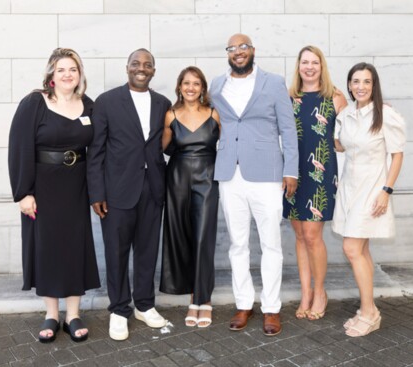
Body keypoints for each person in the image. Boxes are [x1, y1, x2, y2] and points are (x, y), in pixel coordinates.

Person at [8, 48, 100, 343]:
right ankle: (51, 313)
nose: (67, 74)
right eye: (61, 69)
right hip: (43, 188)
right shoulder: (35, 102)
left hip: (76, 186)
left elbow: (98, 150)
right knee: (46, 247)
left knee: (75, 245)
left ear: (80, 74)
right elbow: (19, 147)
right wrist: (24, 192)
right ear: (51, 74)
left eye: (72, 69)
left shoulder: (89, 105)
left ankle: (73, 314)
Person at [209, 33, 298, 336]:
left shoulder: (273, 82)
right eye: (232, 48)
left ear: (252, 50)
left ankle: (271, 308)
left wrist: (292, 171)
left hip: (267, 174)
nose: (238, 52)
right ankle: (243, 302)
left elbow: (288, 128)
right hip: (229, 174)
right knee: (238, 245)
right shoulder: (217, 86)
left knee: (271, 244)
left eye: (243, 47)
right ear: (228, 54)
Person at [86, 48, 171, 341]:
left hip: (153, 190)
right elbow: (95, 151)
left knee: (148, 251)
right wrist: (96, 192)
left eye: (147, 65)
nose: (141, 68)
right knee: (117, 252)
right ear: (127, 68)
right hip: (117, 191)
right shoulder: (107, 102)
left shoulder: (163, 103)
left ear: (153, 71)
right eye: (136, 63)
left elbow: (165, 144)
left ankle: (144, 305)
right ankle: (119, 309)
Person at [332, 62, 406, 337]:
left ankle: (370, 312)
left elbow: (397, 155)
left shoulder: (385, 115)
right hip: (350, 188)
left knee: (352, 249)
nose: (361, 86)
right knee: (360, 251)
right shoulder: (347, 113)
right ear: (349, 85)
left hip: (373, 189)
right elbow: (340, 144)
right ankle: (367, 309)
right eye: (356, 81)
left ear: (374, 85)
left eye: (366, 81)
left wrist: (386, 191)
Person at [283, 46, 347, 321]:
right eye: (304, 62)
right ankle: (305, 292)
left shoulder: (334, 97)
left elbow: (348, 134)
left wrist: (376, 110)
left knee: (312, 236)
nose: (309, 67)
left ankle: (320, 291)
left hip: (319, 174)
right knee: (299, 236)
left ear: (322, 66)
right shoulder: (289, 97)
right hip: (293, 173)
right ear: (298, 66)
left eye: (315, 62)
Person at [159, 66, 221, 328]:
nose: (191, 88)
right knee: (181, 235)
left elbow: (229, 145)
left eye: (196, 83)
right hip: (177, 179)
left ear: (203, 88)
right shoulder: (171, 114)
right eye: (186, 83)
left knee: (203, 237)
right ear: (179, 87)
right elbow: (162, 148)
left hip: (208, 179)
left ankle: (202, 300)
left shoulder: (214, 114)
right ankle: (190, 297)